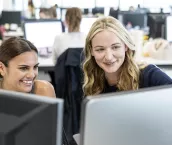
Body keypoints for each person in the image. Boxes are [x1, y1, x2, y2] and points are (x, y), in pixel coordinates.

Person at [82, 16, 172, 96]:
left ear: (126, 46)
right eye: (100, 49)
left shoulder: (150, 76)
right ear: (91, 51)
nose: (109, 57)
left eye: (115, 47)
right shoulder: (90, 82)